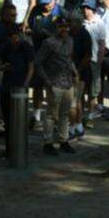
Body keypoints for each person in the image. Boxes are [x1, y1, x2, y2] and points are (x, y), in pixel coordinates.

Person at [35, 18, 77, 155]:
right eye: (61, 26)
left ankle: (63, 140)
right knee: (51, 114)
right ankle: (48, 143)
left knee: (65, 113)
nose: (64, 29)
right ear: (55, 27)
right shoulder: (49, 43)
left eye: (66, 26)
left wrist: (74, 72)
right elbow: (38, 62)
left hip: (68, 83)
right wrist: (46, 80)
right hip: (54, 83)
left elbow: (69, 59)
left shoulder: (70, 40)